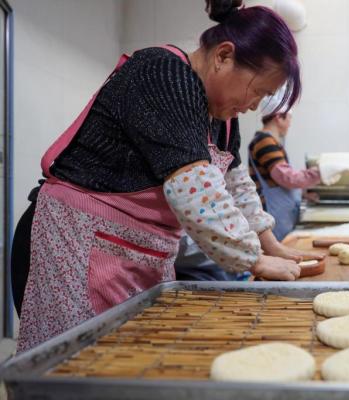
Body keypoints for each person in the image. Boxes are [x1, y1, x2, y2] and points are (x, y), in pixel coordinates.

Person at [11, 0, 318, 352]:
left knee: (127, 362)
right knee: (78, 366)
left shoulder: (222, 116)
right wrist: (254, 260)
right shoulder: (163, 73)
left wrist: (272, 245)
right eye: (258, 91)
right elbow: (195, 189)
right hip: (77, 244)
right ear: (223, 56)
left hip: (135, 254)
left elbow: (236, 185)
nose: (253, 106)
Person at [248, 87, 321, 240]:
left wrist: (303, 194)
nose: (290, 123)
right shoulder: (264, 141)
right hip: (273, 217)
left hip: (281, 217)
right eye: (289, 118)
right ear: (278, 117)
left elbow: (276, 181)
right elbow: (287, 178)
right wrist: (321, 171)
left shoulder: (272, 142)